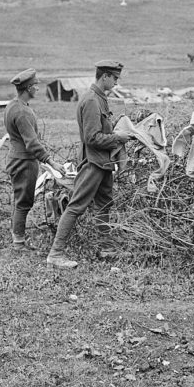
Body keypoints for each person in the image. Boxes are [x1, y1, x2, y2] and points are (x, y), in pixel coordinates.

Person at [46, 60, 135, 269]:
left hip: (103, 163)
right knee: (76, 206)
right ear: (104, 76)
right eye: (114, 78)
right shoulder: (92, 101)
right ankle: (56, 253)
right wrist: (118, 137)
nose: (116, 82)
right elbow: (92, 138)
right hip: (93, 162)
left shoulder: (100, 98)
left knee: (104, 204)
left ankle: (106, 248)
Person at [4, 68, 66, 253]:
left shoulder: (12, 105)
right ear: (28, 88)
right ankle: (18, 244)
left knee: (20, 200)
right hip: (24, 161)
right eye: (35, 86)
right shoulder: (22, 112)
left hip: (16, 157)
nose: (37, 89)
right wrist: (51, 163)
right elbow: (31, 143)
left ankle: (18, 239)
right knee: (24, 202)